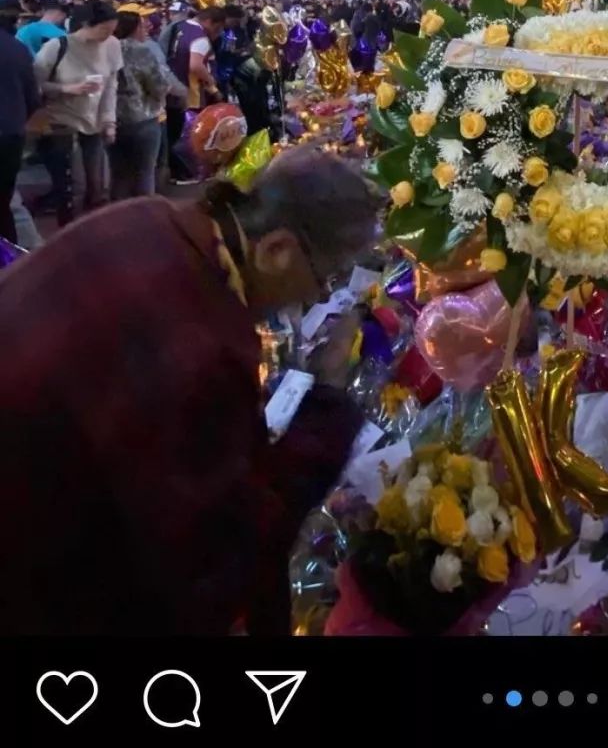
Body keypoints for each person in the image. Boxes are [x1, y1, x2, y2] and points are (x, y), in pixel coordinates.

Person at [0, 149, 380, 635]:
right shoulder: (204, 340)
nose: (319, 300)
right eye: (326, 280)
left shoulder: (151, 214)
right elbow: (216, 560)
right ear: (276, 250)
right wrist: (326, 402)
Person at [32, 0, 122, 226]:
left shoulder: (112, 45)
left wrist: (109, 121)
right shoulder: (57, 46)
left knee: (99, 184)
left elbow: (111, 86)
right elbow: (35, 85)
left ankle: (97, 230)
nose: (108, 35)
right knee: (73, 186)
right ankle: (69, 233)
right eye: (104, 29)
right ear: (86, 24)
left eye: (112, 30)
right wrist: (66, 89)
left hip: (94, 123)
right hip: (61, 121)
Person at [111, 6, 187, 200]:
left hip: (111, 118)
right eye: (142, 26)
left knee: (119, 173)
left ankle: (117, 217)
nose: (145, 29)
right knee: (146, 171)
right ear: (134, 28)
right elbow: (159, 86)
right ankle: (146, 216)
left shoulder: (106, 47)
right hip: (142, 118)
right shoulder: (141, 50)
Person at [165, 6, 225, 180]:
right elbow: (196, 65)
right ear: (209, 22)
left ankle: (178, 171)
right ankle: (188, 173)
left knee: (176, 132)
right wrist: (211, 83)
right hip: (193, 94)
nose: (217, 33)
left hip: (176, 88)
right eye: (218, 28)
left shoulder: (181, 27)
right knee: (190, 134)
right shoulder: (200, 38)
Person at [0, 0, 40, 244]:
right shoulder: (17, 48)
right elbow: (32, 98)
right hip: (11, 134)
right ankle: (12, 258)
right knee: (4, 203)